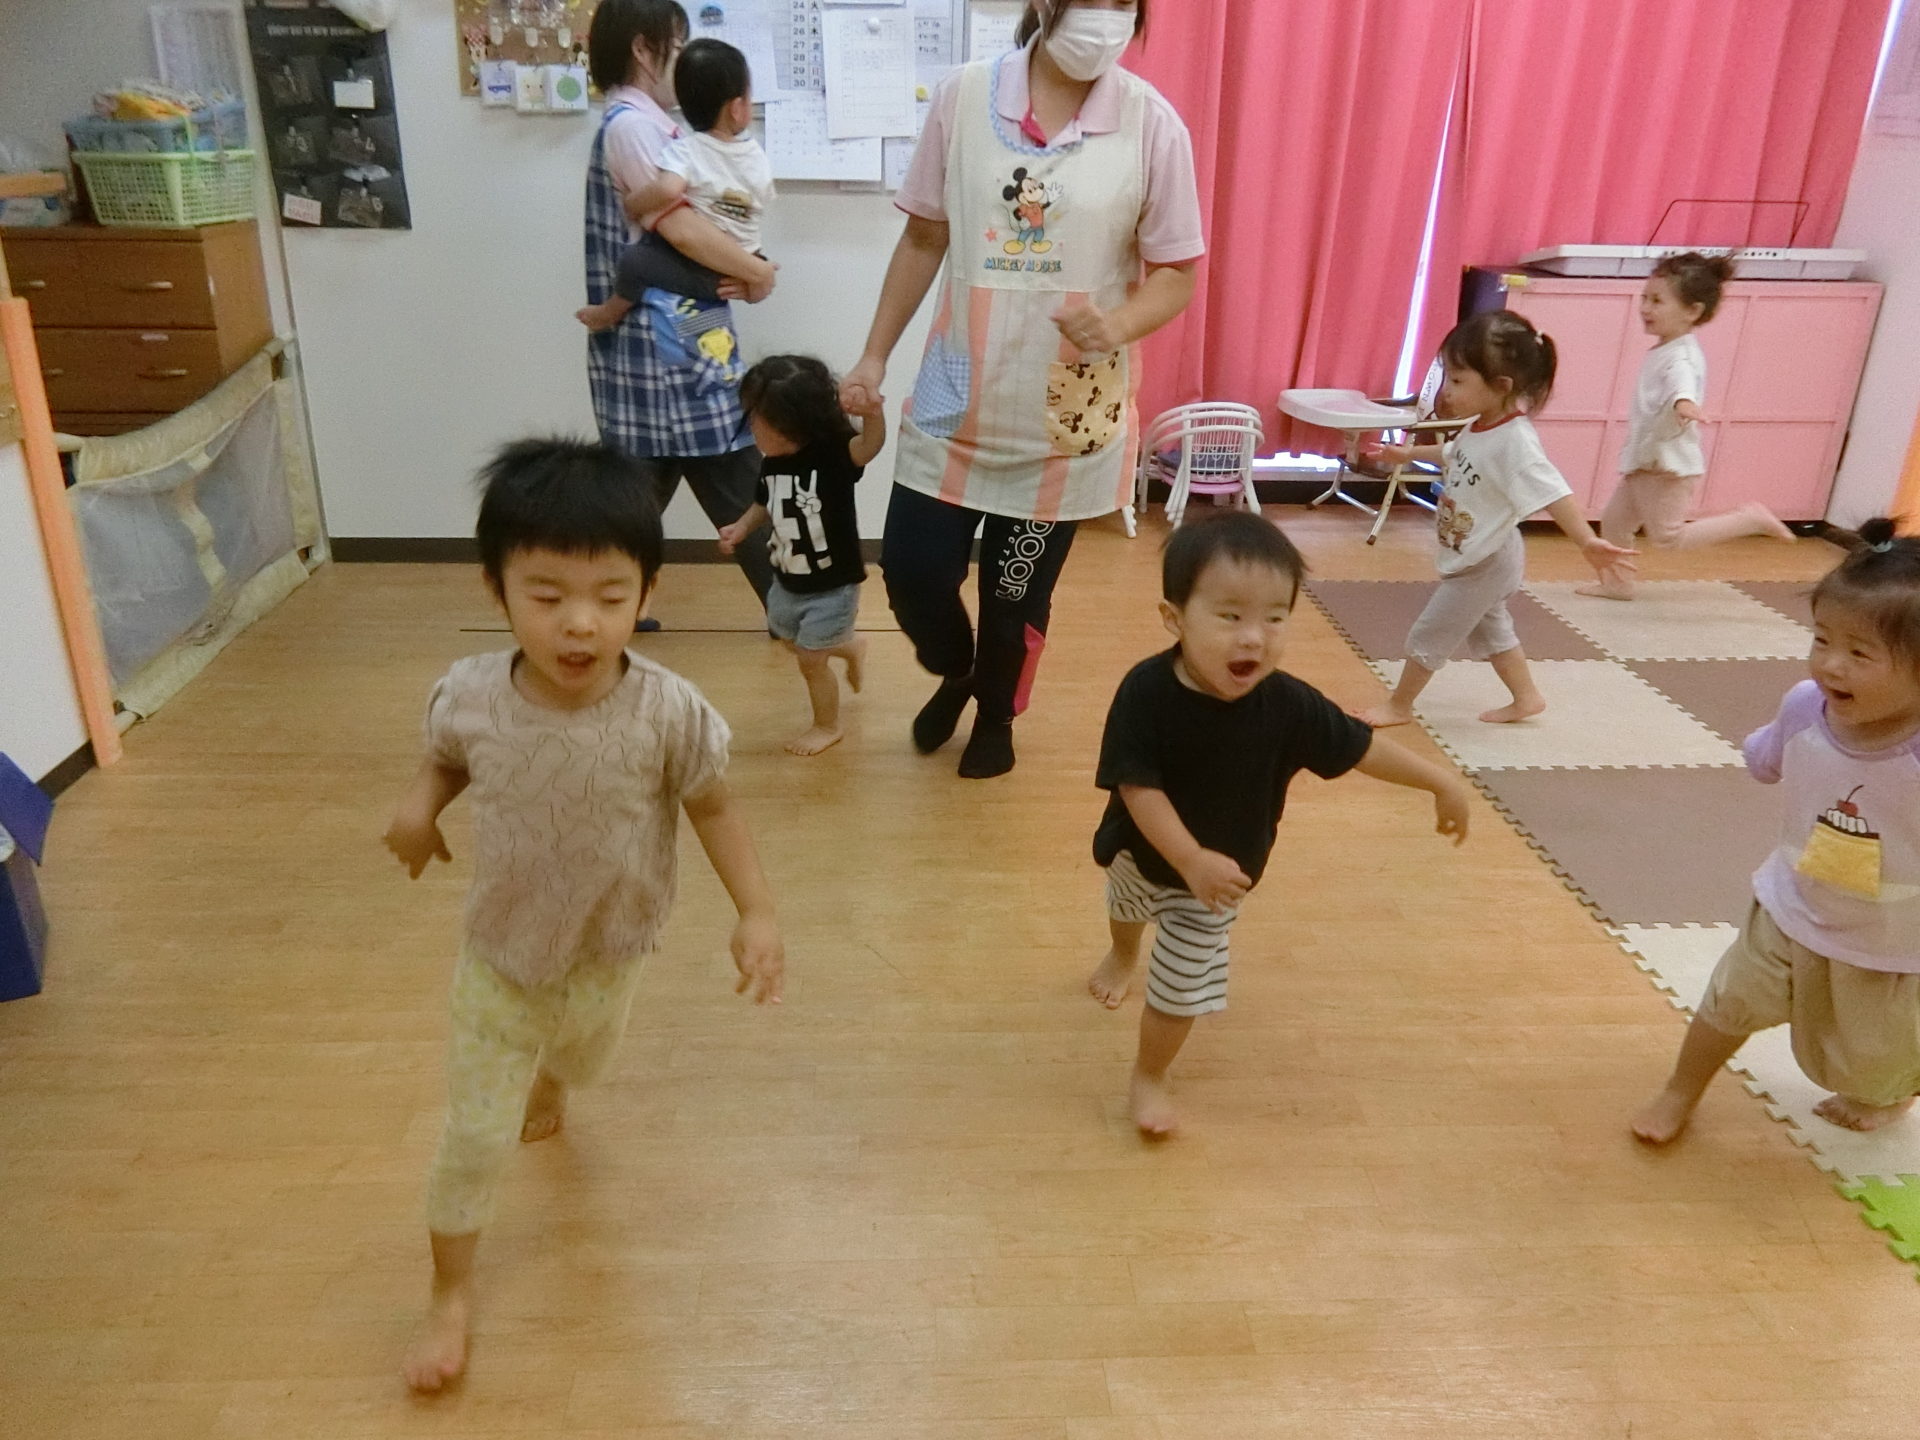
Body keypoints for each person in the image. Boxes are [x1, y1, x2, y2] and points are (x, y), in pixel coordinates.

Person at [383, 438, 784, 1392]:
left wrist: (757, 910)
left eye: (610, 596)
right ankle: (449, 1292)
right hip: (501, 957)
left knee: (586, 1055)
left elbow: (714, 807)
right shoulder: (471, 694)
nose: (579, 622)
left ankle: (554, 1079)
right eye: (547, 594)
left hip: (612, 950)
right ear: (497, 590)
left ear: (647, 592)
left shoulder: (669, 710)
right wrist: (417, 809)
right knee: (473, 1139)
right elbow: (446, 755)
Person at [839, 0, 1204, 779]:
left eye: (1123, 3)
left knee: (1015, 598)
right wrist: (873, 356)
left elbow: (1176, 272)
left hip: (1063, 418)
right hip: (957, 399)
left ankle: (995, 715)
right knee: (913, 574)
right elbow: (924, 235)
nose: (1105, 17)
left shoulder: (1152, 124)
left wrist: (1118, 322)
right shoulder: (964, 97)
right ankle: (958, 671)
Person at [1087, 512, 1474, 1134]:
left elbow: (1360, 747)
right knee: (1126, 907)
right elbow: (1137, 787)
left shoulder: (1289, 704)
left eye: (1275, 617)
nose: (1254, 638)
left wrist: (1441, 781)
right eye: (1229, 616)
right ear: (1174, 618)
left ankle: (1149, 1075)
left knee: (1178, 992)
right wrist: (1187, 856)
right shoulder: (1146, 692)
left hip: (1218, 885)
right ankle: (1122, 952)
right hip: (1141, 850)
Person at [1633, 519, 1920, 1144]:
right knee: (1730, 998)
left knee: (1875, 1060)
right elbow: (1766, 760)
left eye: (1860, 653)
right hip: (1791, 904)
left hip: (1893, 939)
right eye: (1822, 639)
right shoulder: (1804, 706)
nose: (1831, 665)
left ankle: (1890, 1093)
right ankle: (1680, 1089)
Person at [583, 0, 776, 617]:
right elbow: (683, 230)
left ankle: (601, 606)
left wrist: (751, 271)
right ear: (644, 49)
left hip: (672, 343)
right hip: (669, 348)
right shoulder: (635, 129)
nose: (687, 63)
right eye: (678, 44)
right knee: (722, 472)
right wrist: (758, 272)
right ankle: (797, 611)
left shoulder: (659, 130)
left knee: (644, 490)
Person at [1356, 311, 1638, 729]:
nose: (1447, 390)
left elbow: (1553, 491)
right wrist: (1408, 454)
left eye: (1458, 380)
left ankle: (1399, 706)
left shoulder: (1516, 441)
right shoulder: (1480, 425)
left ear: (1502, 386)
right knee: (1492, 632)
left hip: (1486, 560)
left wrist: (1586, 541)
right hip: (1482, 552)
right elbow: (1454, 454)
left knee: (1430, 633)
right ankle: (1527, 698)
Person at [1577, 252, 1795, 600]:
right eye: (1645, 298)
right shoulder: (1665, 349)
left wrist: (1685, 403)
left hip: (1668, 468)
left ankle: (1749, 520)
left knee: (1668, 538)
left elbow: (1682, 385)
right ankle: (1618, 584)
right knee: (1615, 522)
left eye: (1657, 301)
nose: (1645, 308)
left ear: (1692, 311)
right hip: (1646, 460)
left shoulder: (1681, 356)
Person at [718, 356, 887, 755]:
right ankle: (849, 646)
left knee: (810, 659)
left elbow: (869, 446)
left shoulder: (832, 455)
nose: (751, 426)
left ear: (790, 422)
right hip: (787, 578)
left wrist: (872, 414)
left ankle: (827, 725)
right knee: (791, 640)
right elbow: (764, 503)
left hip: (833, 585)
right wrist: (741, 527)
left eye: (757, 418)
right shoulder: (772, 464)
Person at [575, 37, 775, 332]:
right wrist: (755, 269)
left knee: (635, 261)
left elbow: (668, 190)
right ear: (736, 108)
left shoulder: (686, 150)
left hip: (705, 268)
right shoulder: (755, 154)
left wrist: (632, 204)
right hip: (742, 263)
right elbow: (761, 200)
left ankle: (609, 313)